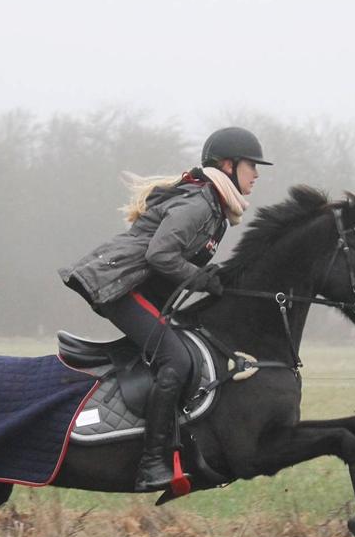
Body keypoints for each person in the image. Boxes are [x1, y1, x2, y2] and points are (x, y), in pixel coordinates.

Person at [59, 127, 273, 492]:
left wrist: (208, 279)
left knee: (177, 350)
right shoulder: (199, 204)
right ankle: (151, 462)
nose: (256, 174)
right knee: (177, 360)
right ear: (228, 165)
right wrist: (201, 278)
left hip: (134, 287)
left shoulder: (215, 208)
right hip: (120, 289)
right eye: (252, 165)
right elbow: (159, 255)